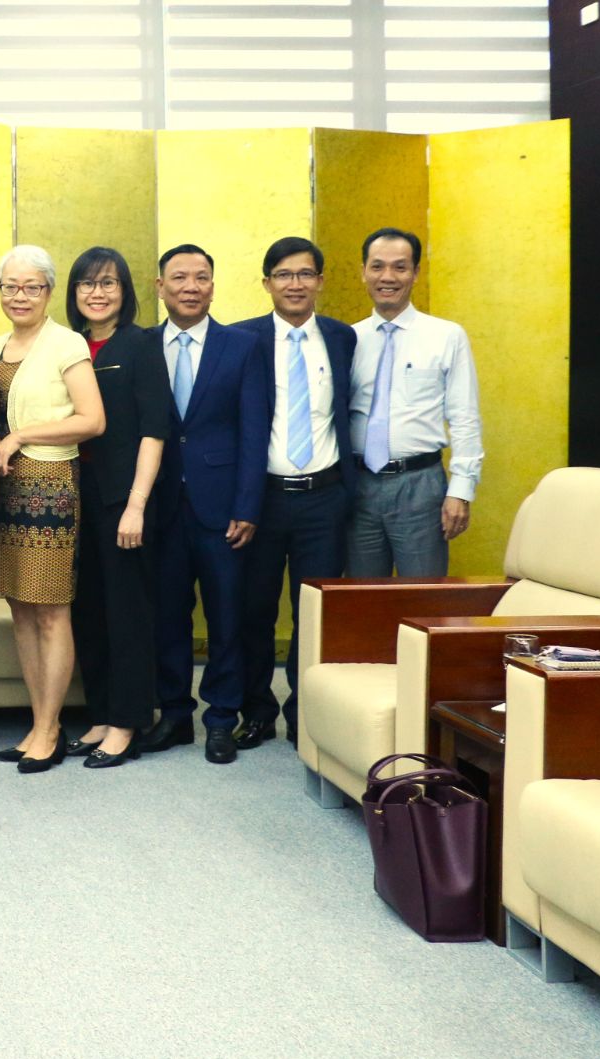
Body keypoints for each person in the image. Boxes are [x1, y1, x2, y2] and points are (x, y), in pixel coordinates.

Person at [134, 245, 270, 766]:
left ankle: (221, 719)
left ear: (213, 285)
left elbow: (255, 430)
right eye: (180, 277)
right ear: (159, 285)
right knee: (168, 615)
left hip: (223, 507)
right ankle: (174, 713)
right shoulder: (143, 345)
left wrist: (248, 505)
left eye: (202, 277)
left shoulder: (241, 345)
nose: (191, 286)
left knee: (226, 615)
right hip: (161, 503)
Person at [230, 237, 358, 749]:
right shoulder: (242, 340)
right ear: (266, 284)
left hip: (324, 497)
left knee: (314, 614)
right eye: (283, 275)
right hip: (262, 498)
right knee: (254, 609)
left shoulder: (343, 338)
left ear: (321, 281)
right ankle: (256, 709)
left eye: (306, 274)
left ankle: (305, 712)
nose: (295, 284)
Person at [0, 245, 104, 774]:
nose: (20, 295)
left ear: (49, 291)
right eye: (11, 286)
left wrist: (21, 436)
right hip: (4, 494)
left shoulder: (67, 343)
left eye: (32, 286)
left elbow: (92, 419)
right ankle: (36, 723)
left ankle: (52, 729)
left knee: (51, 611)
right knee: (21, 609)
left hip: (50, 485)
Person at [65, 247, 170, 769]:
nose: (97, 293)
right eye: (87, 283)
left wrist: (136, 505)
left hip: (122, 501)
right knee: (88, 614)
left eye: (108, 283)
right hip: (73, 499)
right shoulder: (67, 345)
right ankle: (102, 714)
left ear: (125, 291)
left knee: (127, 613)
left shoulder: (141, 344)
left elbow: (155, 430)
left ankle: (129, 721)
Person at [348, 227, 483, 578]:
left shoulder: (446, 336)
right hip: (357, 487)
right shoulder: (349, 339)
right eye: (377, 267)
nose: (387, 277)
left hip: (420, 487)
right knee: (362, 604)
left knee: (423, 600)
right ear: (363, 271)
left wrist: (461, 490)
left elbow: (465, 417)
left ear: (416, 273)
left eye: (400, 267)